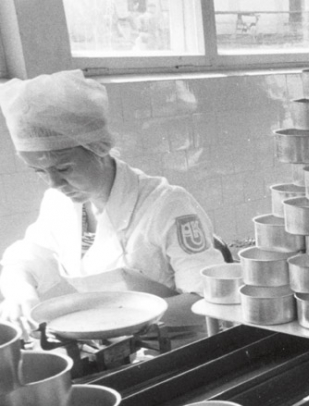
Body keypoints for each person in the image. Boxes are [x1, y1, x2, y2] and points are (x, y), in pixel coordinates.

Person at [0, 70, 222, 335]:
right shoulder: (58, 203)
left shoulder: (167, 206)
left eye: (64, 168)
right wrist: (19, 291)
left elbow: (205, 300)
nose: (53, 184)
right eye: (39, 171)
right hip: (109, 344)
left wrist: (116, 319)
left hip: (176, 347)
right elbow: (26, 258)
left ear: (98, 148)